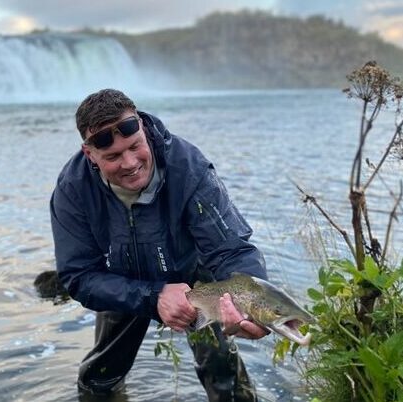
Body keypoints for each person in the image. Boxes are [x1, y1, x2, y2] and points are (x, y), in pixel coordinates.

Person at [50, 89, 268, 402]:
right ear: (90, 154)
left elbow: (231, 250)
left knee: (224, 377)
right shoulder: (73, 189)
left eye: (135, 146)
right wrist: (154, 297)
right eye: (113, 157)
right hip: (121, 281)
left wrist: (253, 307)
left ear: (141, 127)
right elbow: (79, 275)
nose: (130, 163)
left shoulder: (188, 167)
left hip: (194, 275)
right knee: (99, 378)